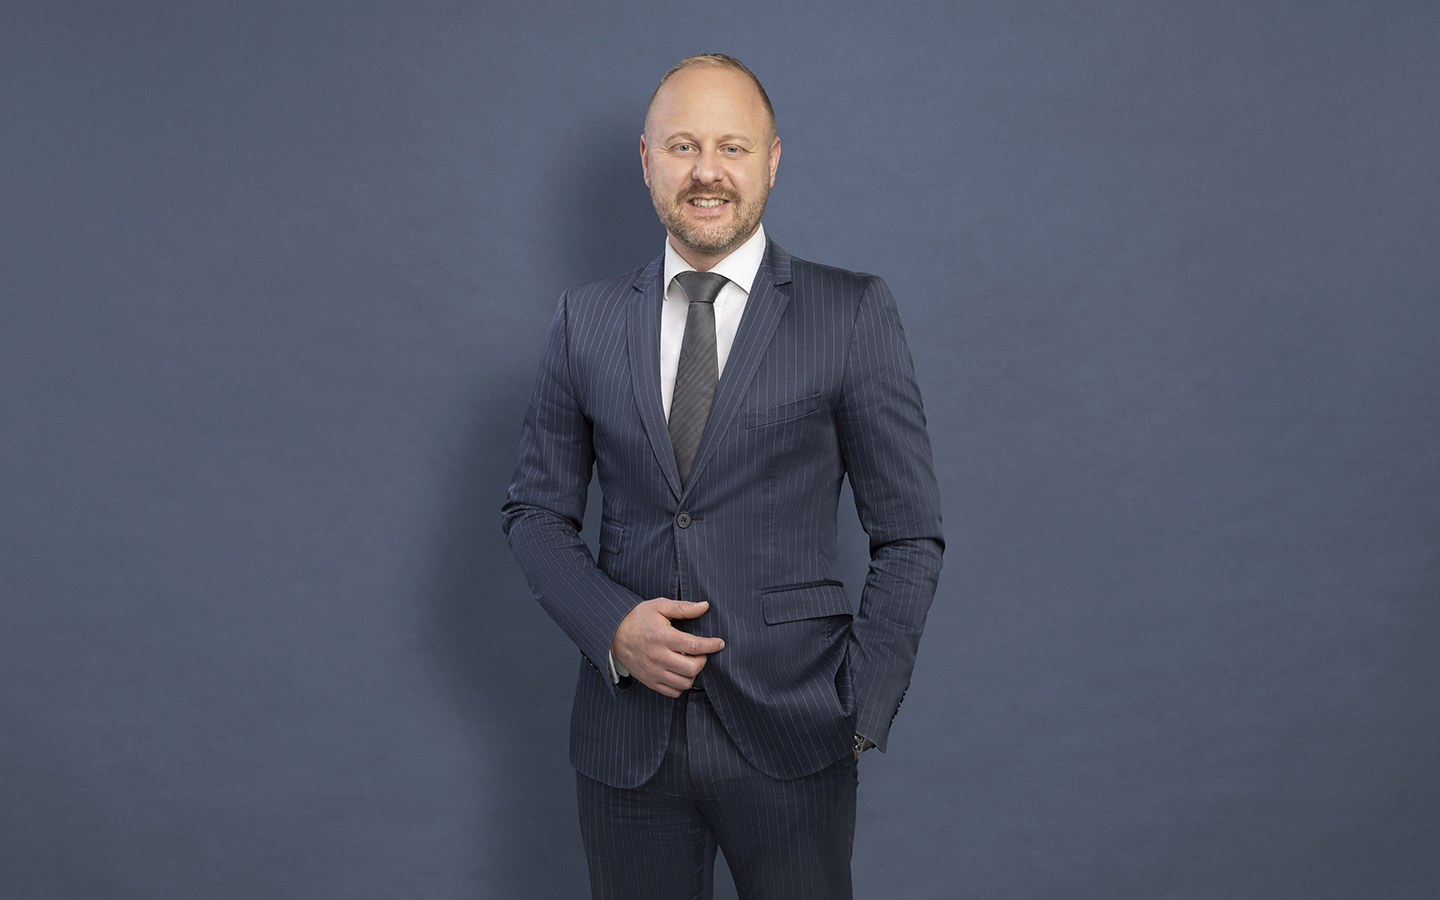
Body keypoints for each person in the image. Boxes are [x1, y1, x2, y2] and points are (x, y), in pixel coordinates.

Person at [502, 53, 943, 899]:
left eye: (732, 147)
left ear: (771, 160)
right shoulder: (584, 320)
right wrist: (611, 626)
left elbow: (910, 534)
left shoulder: (850, 312)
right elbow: (534, 513)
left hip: (798, 736)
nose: (707, 171)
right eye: (684, 146)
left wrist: (859, 712)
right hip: (627, 744)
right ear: (647, 161)